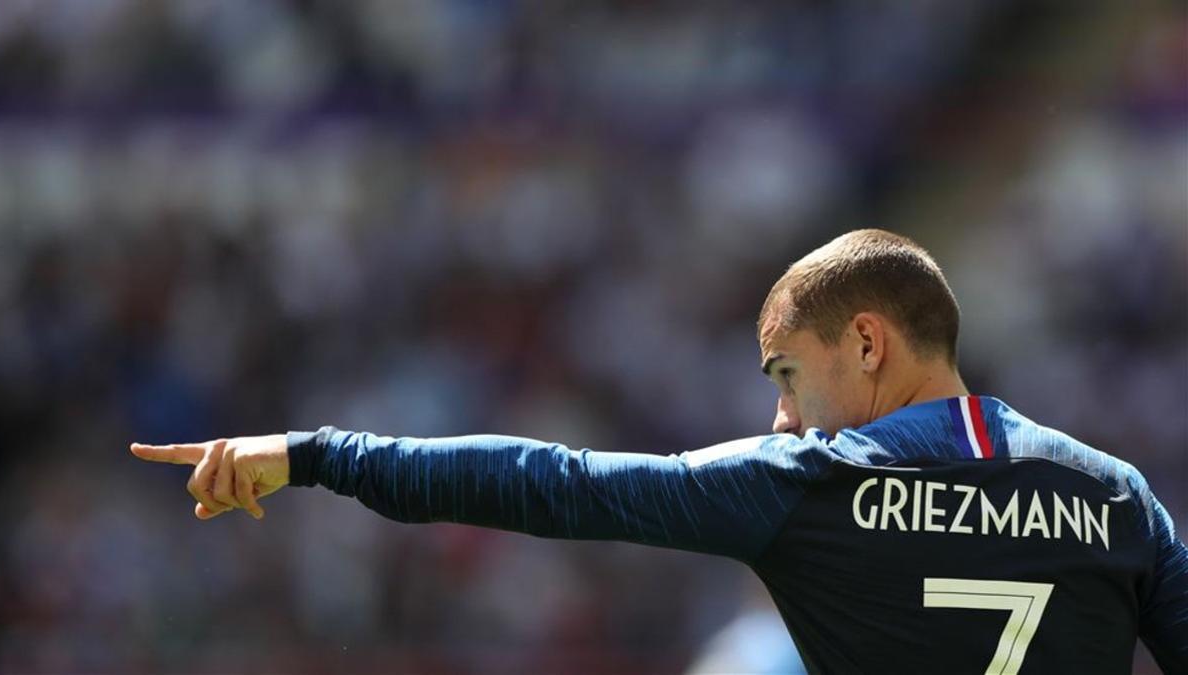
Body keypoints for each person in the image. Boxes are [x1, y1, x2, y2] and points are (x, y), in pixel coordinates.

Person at [132, 229, 1187, 673]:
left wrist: (318, 454)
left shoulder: (806, 489)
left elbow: (553, 485)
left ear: (867, 342)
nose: (780, 416)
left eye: (785, 374)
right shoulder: (1119, 498)